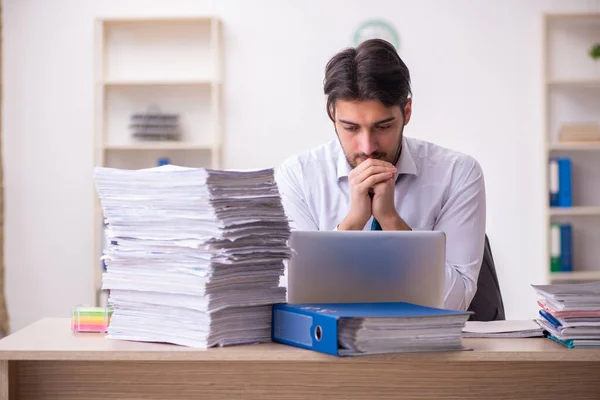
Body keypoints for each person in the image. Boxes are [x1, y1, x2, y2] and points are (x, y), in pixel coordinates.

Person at [275, 39, 486, 312]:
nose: (367, 147)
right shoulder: (298, 176)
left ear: (406, 112)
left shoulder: (457, 173)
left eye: (383, 126)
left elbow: (454, 303)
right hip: (328, 349)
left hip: (426, 348)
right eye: (350, 128)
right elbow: (292, 299)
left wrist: (391, 222)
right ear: (332, 115)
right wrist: (351, 225)